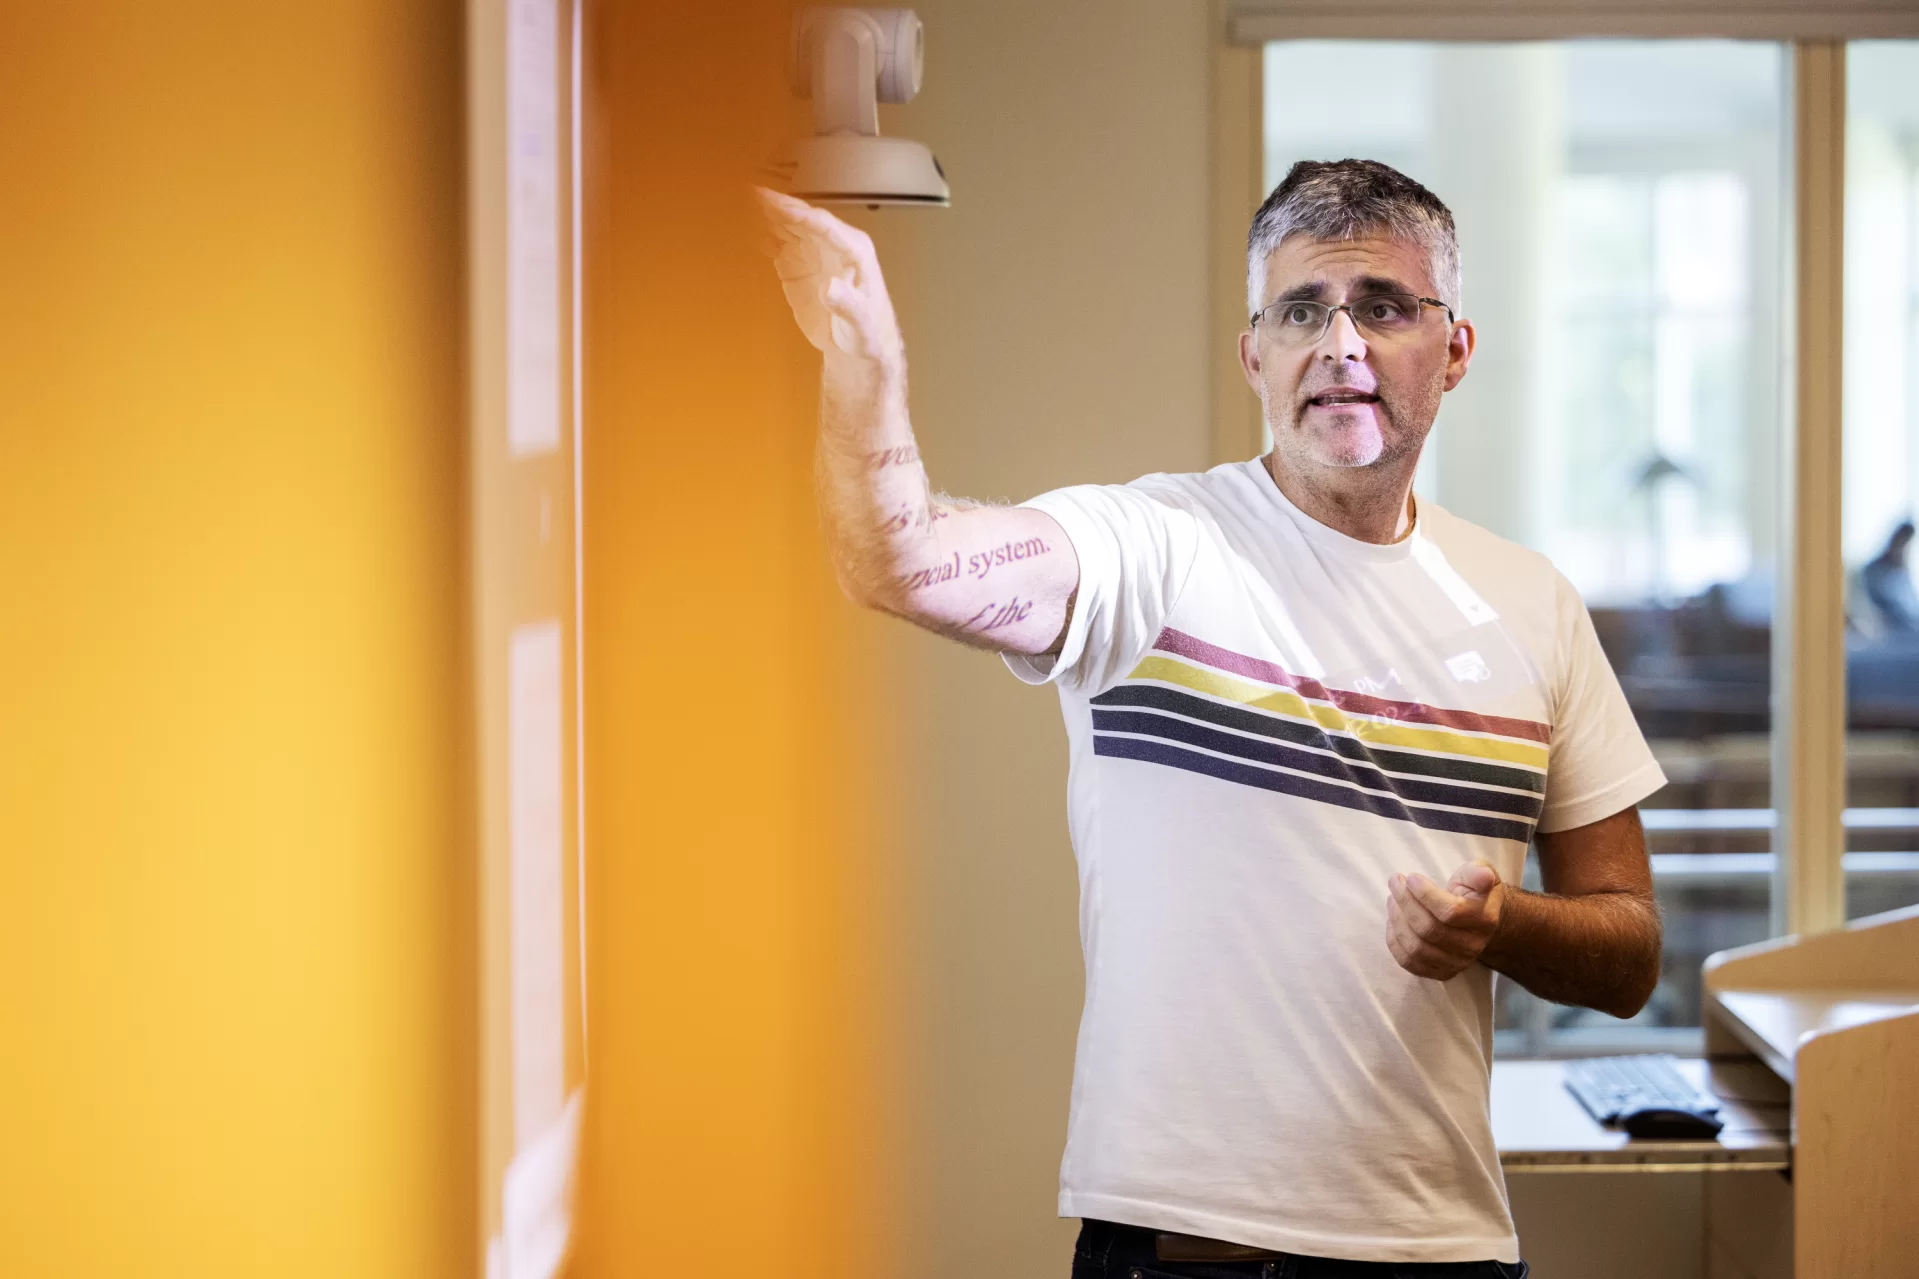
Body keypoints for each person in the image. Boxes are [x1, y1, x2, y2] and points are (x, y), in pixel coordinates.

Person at [758, 159, 1665, 1277]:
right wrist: (865, 364)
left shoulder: (1530, 603)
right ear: (1254, 356)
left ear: (1455, 350)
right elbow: (896, 561)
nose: (1340, 344)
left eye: (1382, 306)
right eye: (1300, 311)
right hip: (1190, 1257)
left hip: (1446, 1248)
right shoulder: (1155, 548)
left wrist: (1503, 928)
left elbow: (1626, 952)